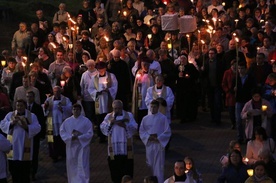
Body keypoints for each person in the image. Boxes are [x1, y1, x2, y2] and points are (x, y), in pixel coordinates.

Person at [0, 99, 41, 183]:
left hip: (25, 148)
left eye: (21, 106)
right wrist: (11, 123)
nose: (19, 108)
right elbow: (2, 125)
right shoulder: (10, 115)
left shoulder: (31, 116)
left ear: (25, 106)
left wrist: (26, 127)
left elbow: (37, 127)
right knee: (14, 171)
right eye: (17, 106)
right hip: (13, 147)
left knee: (25, 173)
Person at [100, 100, 138, 183]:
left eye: (119, 108)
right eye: (115, 108)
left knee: (127, 171)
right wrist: (110, 123)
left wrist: (125, 126)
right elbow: (103, 128)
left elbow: (134, 127)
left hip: (126, 150)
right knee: (115, 172)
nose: (117, 110)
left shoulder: (129, 115)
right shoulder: (109, 116)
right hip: (114, 149)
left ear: (122, 108)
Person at [139, 100, 171, 183]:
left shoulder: (163, 118)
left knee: (159, 166)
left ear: (158, 107)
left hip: (158, 145)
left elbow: (167, 131)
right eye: (151, 107)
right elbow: (141, 131)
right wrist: (148, 137)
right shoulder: (145, 118)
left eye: (155, 107)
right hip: (149, 144)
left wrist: (159, 138)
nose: (152, 109)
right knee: (150, 164)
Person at [60, 103, 93, 183]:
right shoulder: (67, 121)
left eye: (77, 110)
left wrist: (79, 137)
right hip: (71, 146)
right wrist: (70, 138)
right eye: (74, 109)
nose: (75, 111)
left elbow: (90, 133)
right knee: (72, 164)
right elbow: (62, 132)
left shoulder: (86, 121)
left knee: (83, 164)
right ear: (72, 110)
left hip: (82, 146)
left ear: (80, 111)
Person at [88, 61, 118, 143]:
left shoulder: (111, 76)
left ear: (105, 68)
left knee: (109, 117)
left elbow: (115, 87)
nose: (101, 71)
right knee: (100, 119)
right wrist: (97, 92)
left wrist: (109, 90)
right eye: (99, 69)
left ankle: (110, 135)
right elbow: (90, 89)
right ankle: (101, 136)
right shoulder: (94, 78)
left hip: (108, 100)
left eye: (102, 69)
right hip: (99, 101)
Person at [43, 86, 72, 162]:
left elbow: (70, 109)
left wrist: (63, 108)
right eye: (55, 91)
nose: (56, 93)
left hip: (61, 121)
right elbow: (44, 110)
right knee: (51, 138)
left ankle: (63, 153)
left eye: (58, 91)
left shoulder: (65, 99)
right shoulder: (49, 99)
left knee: (61, 137)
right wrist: (45, 106)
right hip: (51, 121)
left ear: (60, 91)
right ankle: (53, 155)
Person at [26, 91, 46, 180]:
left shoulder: (38, 108)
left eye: (30, 97)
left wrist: (42, 134)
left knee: (34, 154)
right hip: (26, 135)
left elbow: (41, 121)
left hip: (35, 135)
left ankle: (33, 172)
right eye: (27, 97)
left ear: (33, 97)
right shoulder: (23, 107)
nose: (28, 98)